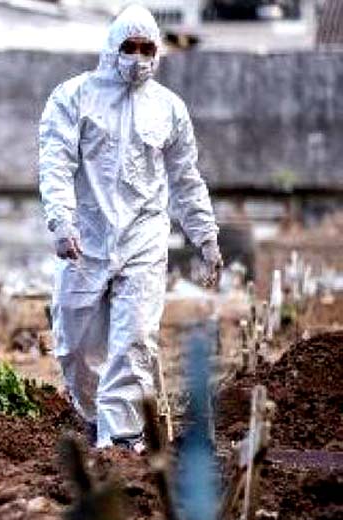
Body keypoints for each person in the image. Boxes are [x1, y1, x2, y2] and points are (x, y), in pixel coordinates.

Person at [37, 4, 222, 450]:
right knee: (76, 347)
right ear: (111, 48)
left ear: (158, 52)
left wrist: (206, 235)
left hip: (143, 238)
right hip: (86, 239)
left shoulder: (169, 109)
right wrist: (62, 221)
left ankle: (121, 439)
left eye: (147, 48)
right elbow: (55, 161)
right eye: (129, 47)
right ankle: (92, 415)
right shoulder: (73, 97)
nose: (138, 57)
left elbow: (184, 178)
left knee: (134, 340)